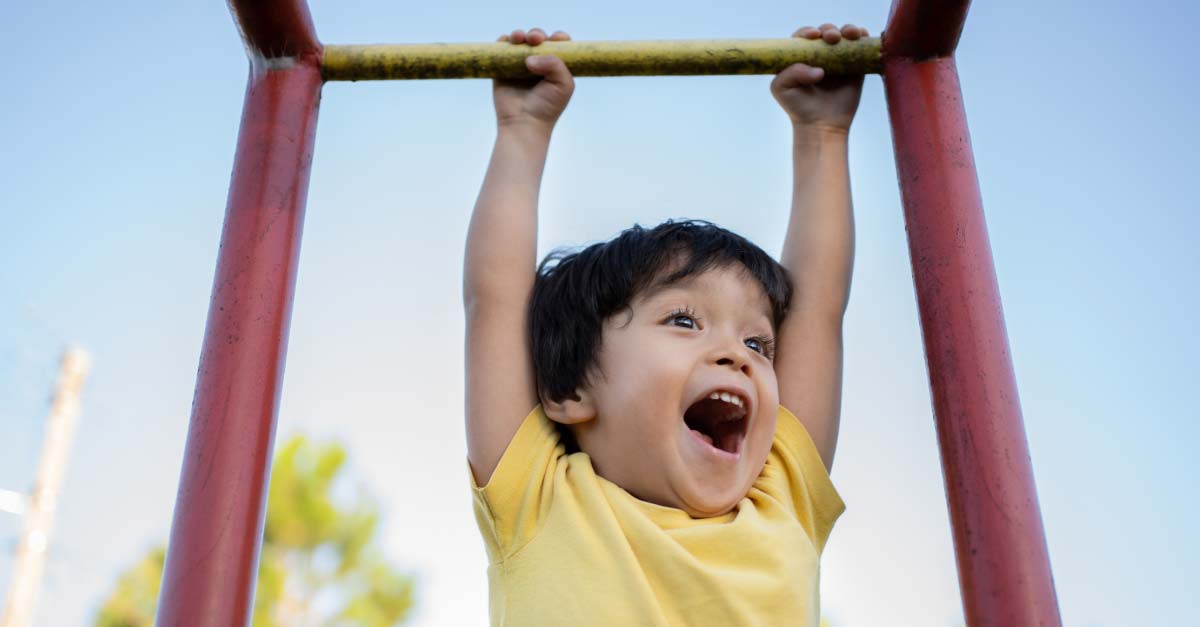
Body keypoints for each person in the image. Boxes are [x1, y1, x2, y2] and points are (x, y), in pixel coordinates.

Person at [463, 23, 865, 626]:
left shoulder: (782, 501)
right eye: (684, 320)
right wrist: (523, 131)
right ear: (571, 390)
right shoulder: (541, 501)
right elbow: (494, 301)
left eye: (758, 342)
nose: (739, 355)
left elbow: (817, 310)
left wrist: (823, 135)